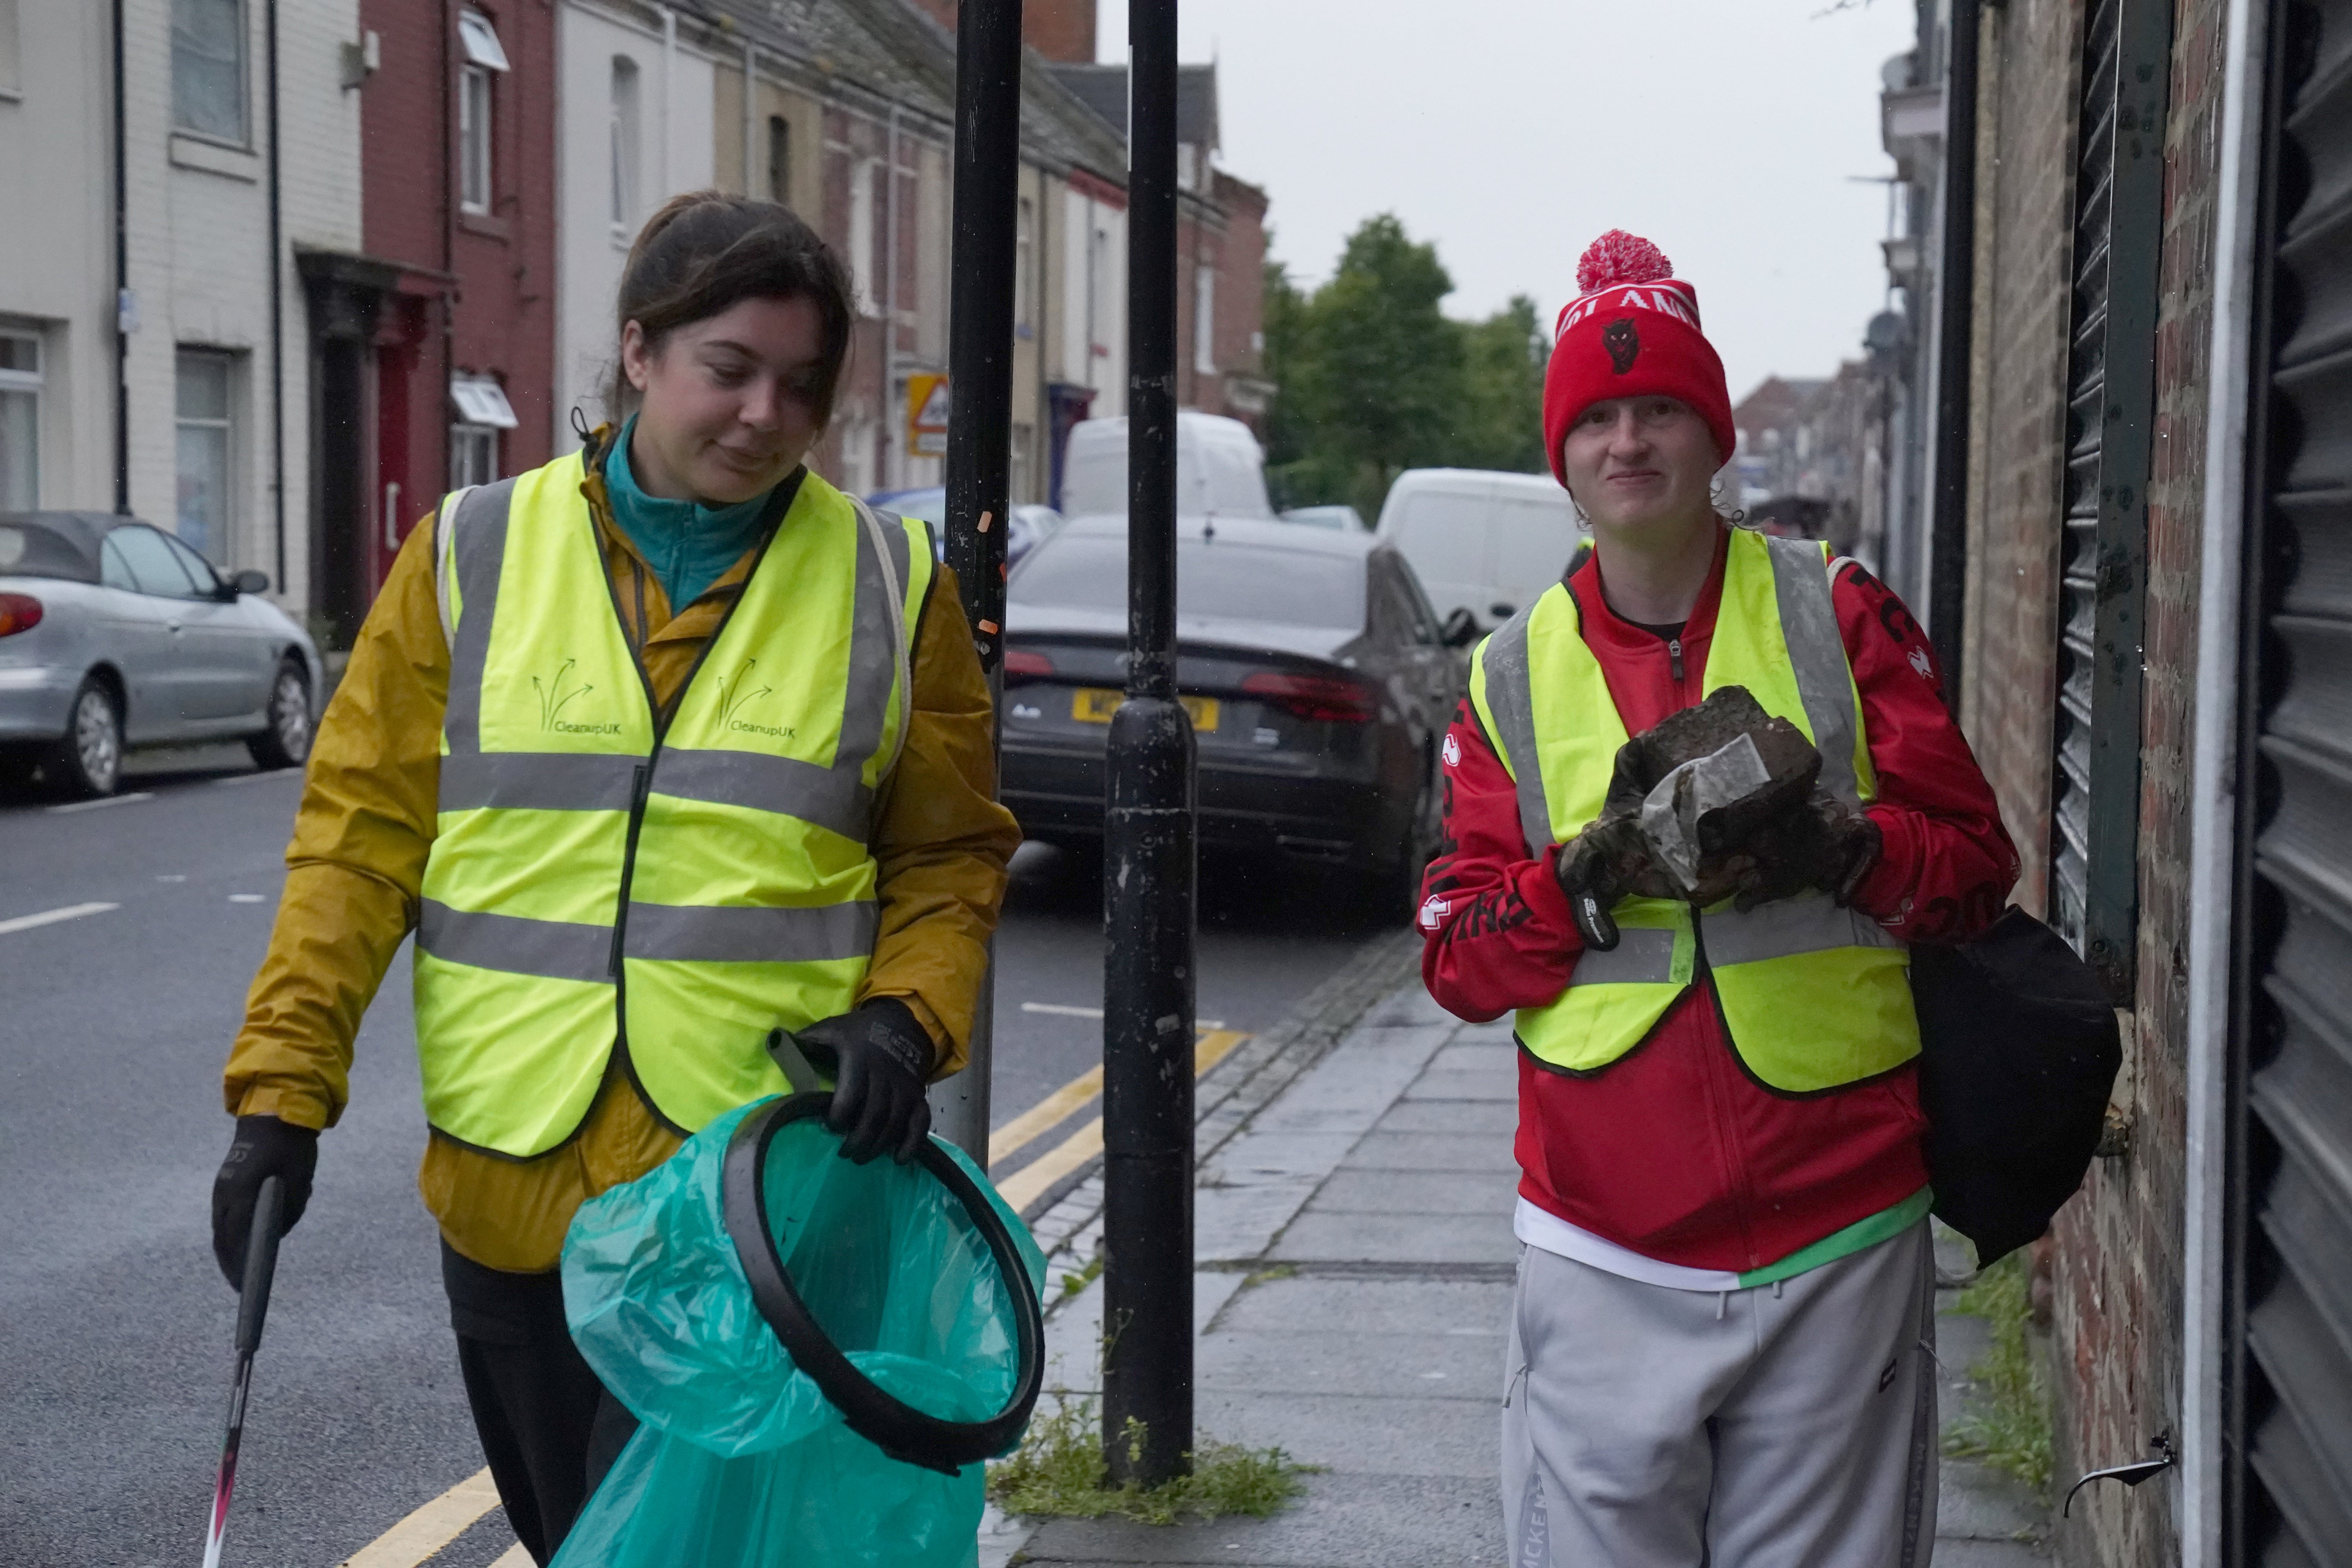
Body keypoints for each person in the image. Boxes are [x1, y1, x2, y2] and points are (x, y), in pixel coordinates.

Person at [209, 193, 1020, 1565]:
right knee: (572, 1539)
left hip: (754, 1205)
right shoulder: (471, 553)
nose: (767, 412)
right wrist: (281, 1097)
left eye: (803, 385)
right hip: (514, 1185)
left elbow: (948, 851)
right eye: (731, 369)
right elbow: (357, 843)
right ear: (639, 354)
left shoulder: (891, 580)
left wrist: (905, 1015)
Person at [1419, 230, 2019, 1567]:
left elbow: (1978, 869)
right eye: (1600, 417)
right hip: (1601, 1240)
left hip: (1838, 1222)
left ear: (1717, 436)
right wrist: (1583, 879)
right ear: (1563, 460)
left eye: (1665, 410)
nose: (1632, 441)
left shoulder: (1839, 611)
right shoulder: (1508, 674)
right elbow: (1456, 956)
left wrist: (1845, 849)